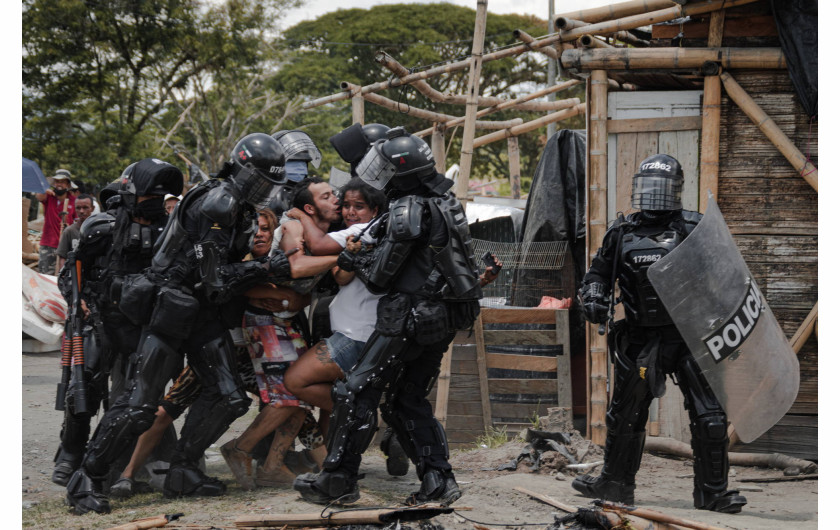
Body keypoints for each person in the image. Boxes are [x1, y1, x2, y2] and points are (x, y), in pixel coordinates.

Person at [64, 134, 336, 515]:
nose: (265, 188)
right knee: (139, 403)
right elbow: (216, 278)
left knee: (229, 397)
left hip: (201, 310)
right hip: (171, 306)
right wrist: (269, 266)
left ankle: (183, 469)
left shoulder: (237, 204)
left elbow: (218, 277)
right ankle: (87, 479)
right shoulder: (219, 201)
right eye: (260, 178)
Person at [293, 127, 483, 506]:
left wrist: (354, 257)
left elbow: (380, 278)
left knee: (355, 391)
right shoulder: (444, 202)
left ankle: (338, 480)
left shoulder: (408, 208)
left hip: (408, 316)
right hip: (439, 317)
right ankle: (438, 481)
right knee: (404, 400)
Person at [572, 154, 747, 514]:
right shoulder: (621, 233)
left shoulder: (695, 227)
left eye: (662, 188)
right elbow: (597, 276)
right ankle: (615, 484)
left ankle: (713, 494)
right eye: (648, 187)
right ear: (638, 188)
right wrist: (592, 297)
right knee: (626, 415)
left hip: (691, 337)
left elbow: (728, 276)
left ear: (677, 191)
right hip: (640, 339)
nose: (653, 196)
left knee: (710, 416)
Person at [52, 162, 183, 489]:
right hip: (98, 318)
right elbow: (70, 272)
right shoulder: (100, 230)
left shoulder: (166, 229)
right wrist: (76, 299)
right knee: (84, 390)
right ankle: (70, 454)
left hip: (141, 323)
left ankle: (144, 459)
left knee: (138, 396)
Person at [222, 177, 341, 490]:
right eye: (327, 196)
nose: (336, 200)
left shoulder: (318, 229)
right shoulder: (292, 226)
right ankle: (240, 448)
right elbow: (297, 267)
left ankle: (272, 466)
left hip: (285, 321)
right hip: (266, 321)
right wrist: (343, 258)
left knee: (298, 397)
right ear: (308, 206)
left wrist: (297, 300)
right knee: (287, 397)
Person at [35, 169, 76, 274]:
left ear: (67, 185)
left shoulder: (73, 201)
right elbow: (39, 196)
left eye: (62, 182)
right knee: (44, 275)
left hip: (65, 246)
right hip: (48, 244)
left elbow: (76, 223)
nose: (59, 184)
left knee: (62, 277)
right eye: (57, 181)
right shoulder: (49, 197)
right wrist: (44, 189)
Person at [56, 193, 94, 271]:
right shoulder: (69, 231)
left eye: (85, 207)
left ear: (92, 208)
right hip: (74, 275)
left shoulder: (98, 231)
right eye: (78, 208)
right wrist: (63, 276)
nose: (81, 211)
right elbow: (62, 257)